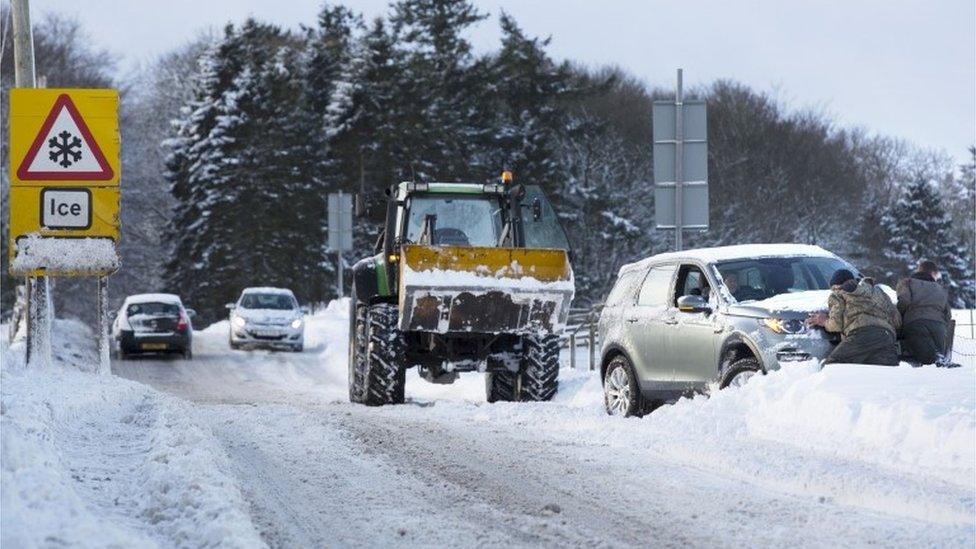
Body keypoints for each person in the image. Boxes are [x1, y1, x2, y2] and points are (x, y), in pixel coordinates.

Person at [807, 269, 901, 365]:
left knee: (831, 367)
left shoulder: (838, 294)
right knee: (885, 375)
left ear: (836, 286)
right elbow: (897, 321)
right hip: (887, 337)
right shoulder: (878, 292)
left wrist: (823, 321)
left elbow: (835, 325)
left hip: (861, 335)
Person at [896, 260, 952, 365]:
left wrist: (899, 321)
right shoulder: (940, 289)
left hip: (915, 324)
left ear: (919, 270)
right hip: (939, 328)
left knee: (928, 360)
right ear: (933, 273)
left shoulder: (908, 283)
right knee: (937, 359)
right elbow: (947, 314)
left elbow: (904, 302)